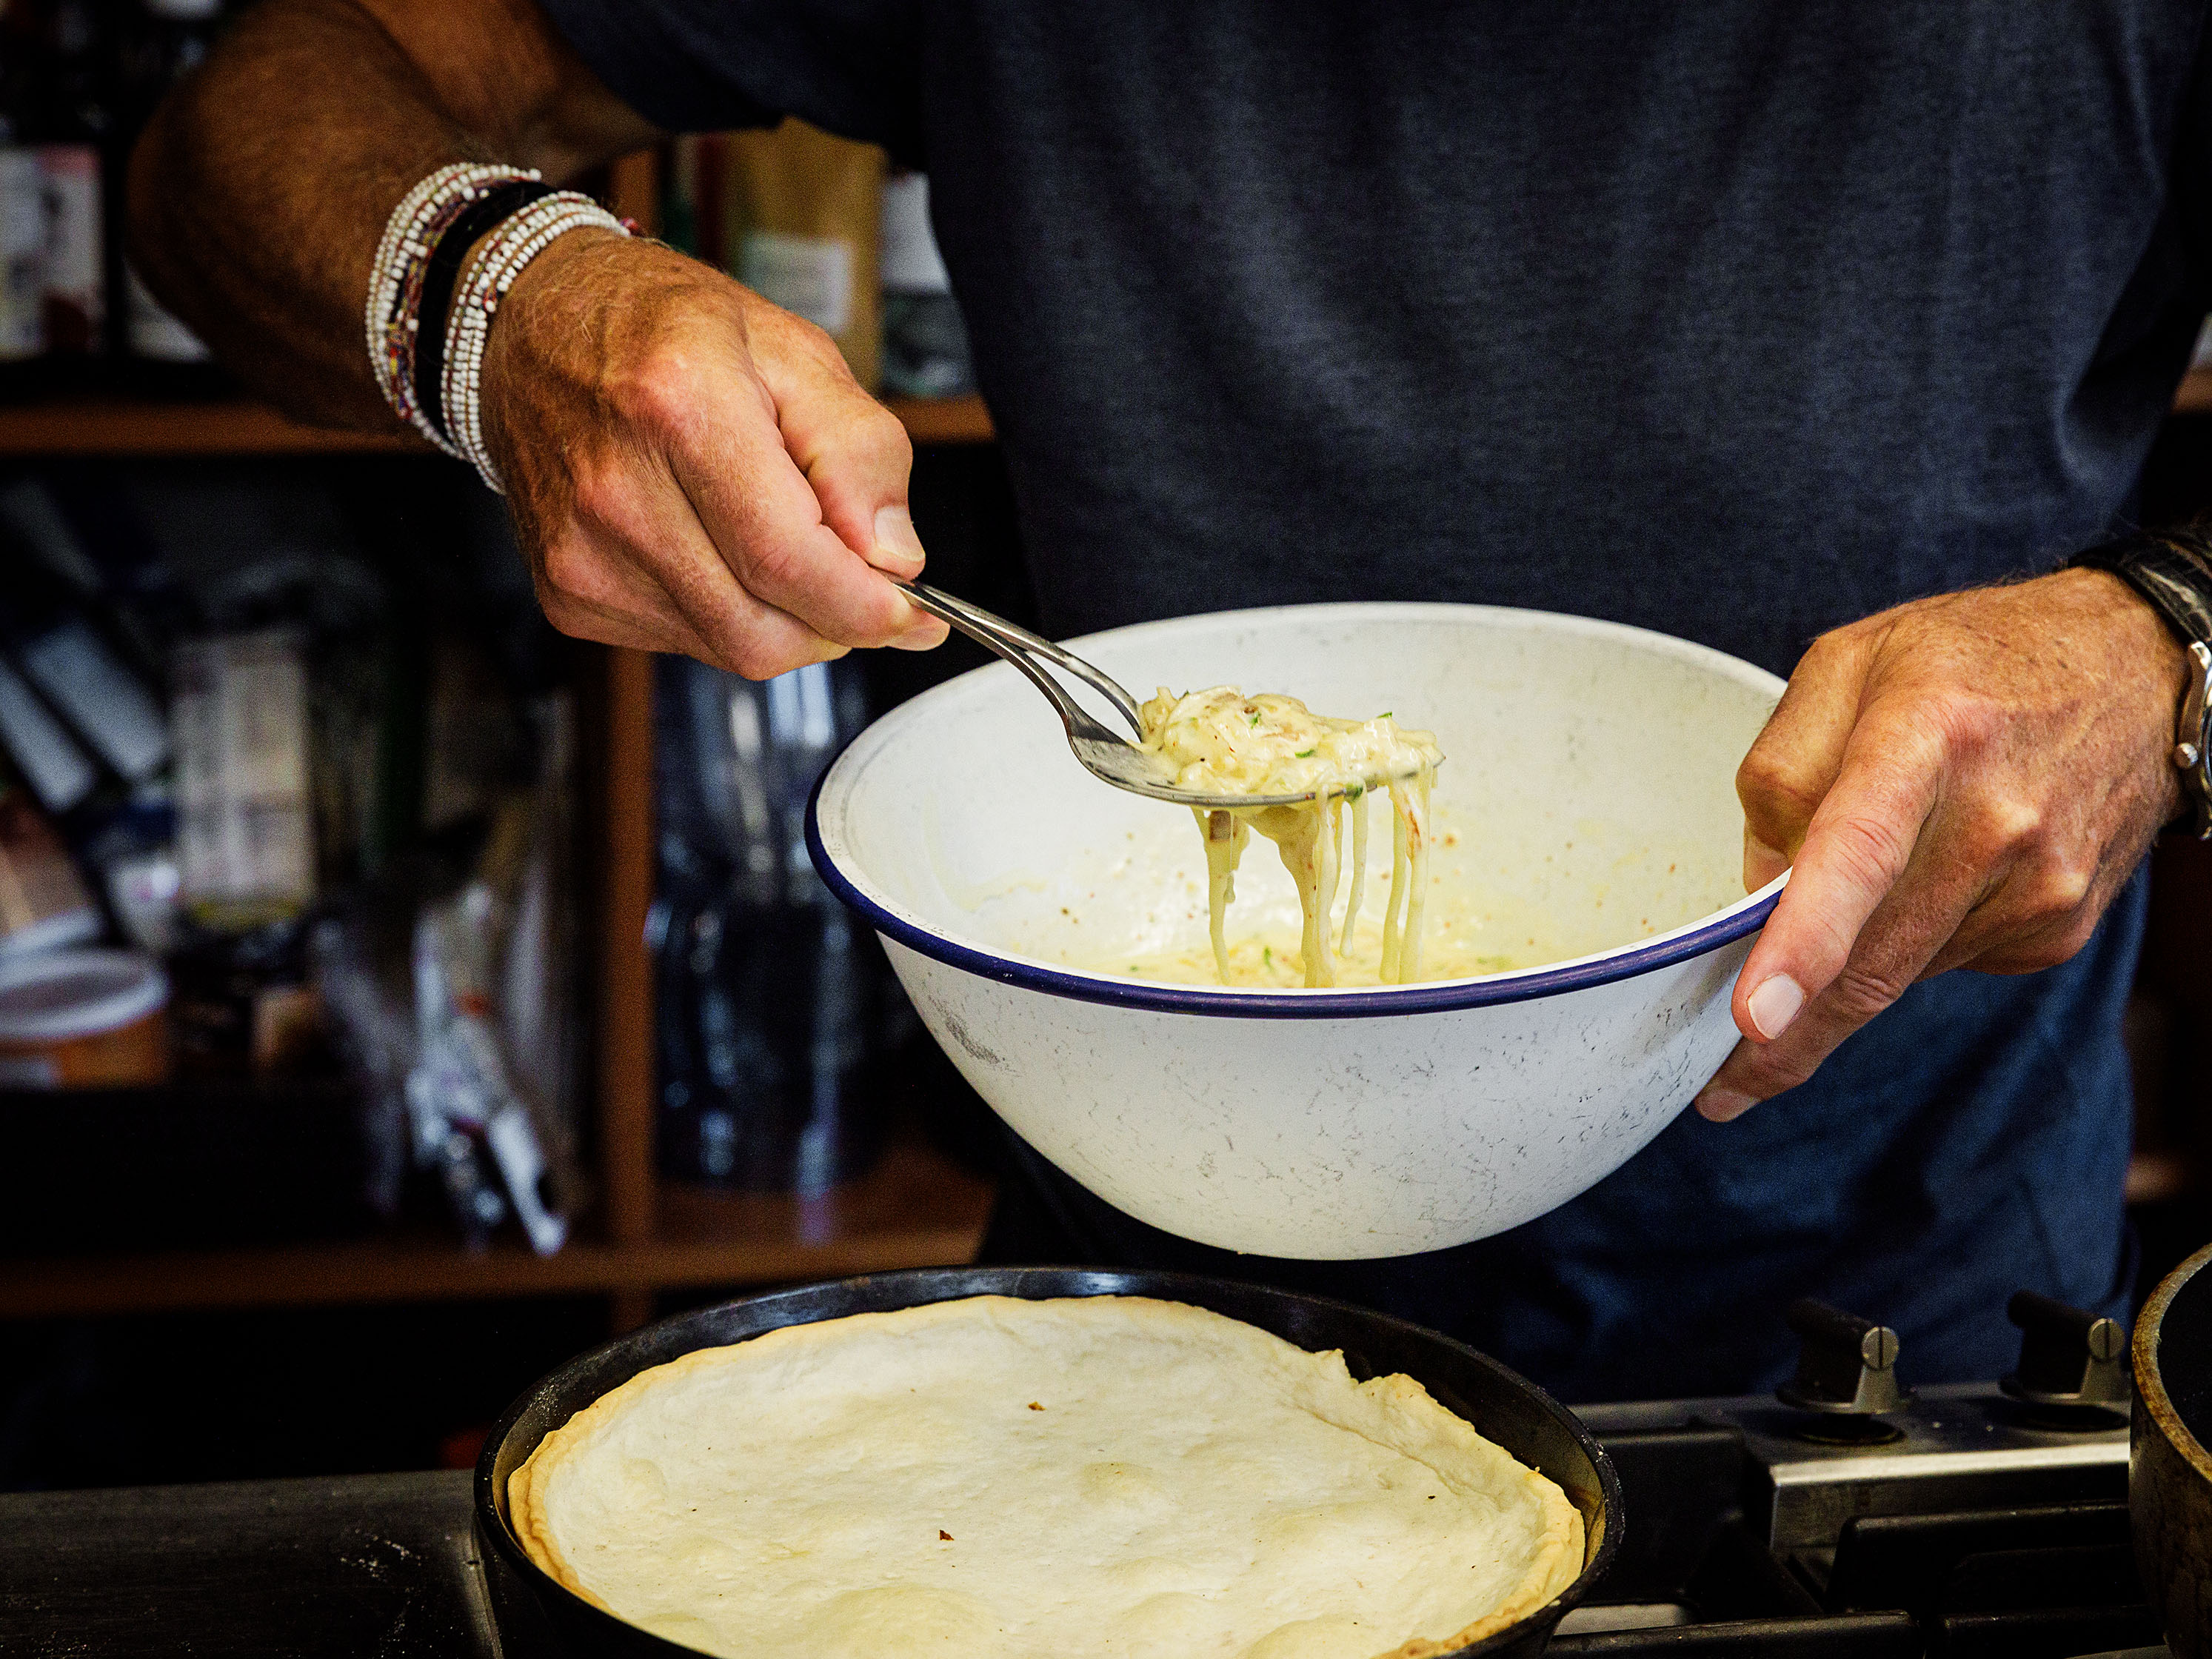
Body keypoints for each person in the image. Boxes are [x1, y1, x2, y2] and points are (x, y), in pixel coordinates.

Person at [134, 1, 2205, 1400]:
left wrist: (2163, 651)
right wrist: (498, 303)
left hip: (1907, 1315)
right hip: (1147, 1278)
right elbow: (263, 104)